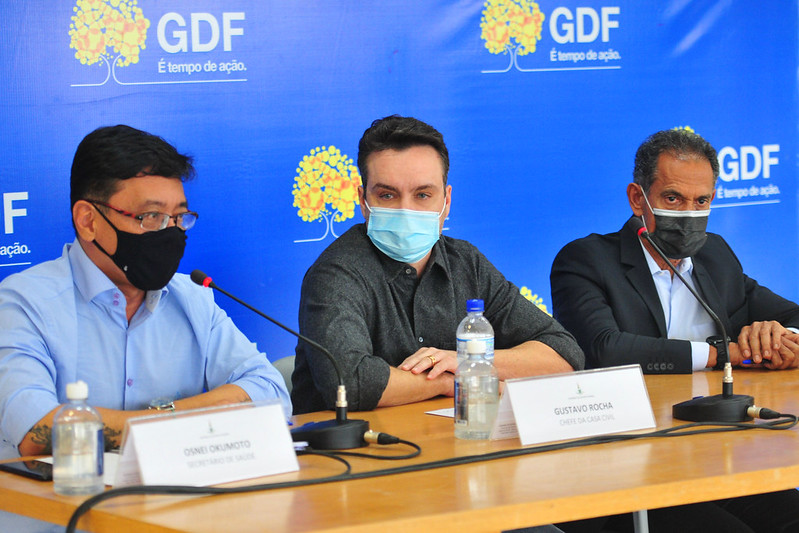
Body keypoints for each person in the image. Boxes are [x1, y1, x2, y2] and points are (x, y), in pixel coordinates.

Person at [550, 128, 799, 533]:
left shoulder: (715, 254)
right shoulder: (586, 260)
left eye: (701, 201)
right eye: (672, 199)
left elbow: (792, 314)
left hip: (717, 451)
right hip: (632, 465)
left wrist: (783, 340)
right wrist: (724, 353)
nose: (688, 213)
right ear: (638, 198)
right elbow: (604, 349)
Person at [0, 125, 291, 460]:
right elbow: (37, 430)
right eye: (151, 216)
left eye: (179, 217)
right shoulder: (24, 304)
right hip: (67, 492)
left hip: (178, 488)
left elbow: (270, 392)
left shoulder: (191, 297)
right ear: (88, 220)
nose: (170, 232)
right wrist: (188, 417)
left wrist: (162, 417)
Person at [292, 115, 584, 415]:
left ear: (446, 201)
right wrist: (449, 380)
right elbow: (350, 383)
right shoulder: (335, 273)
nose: (406, 210)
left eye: (422, 195)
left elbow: (563, 354)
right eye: (387, 195)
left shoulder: (466, 262)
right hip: (358, 442)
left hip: (454, 436)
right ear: (363, 201)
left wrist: (467, 362)